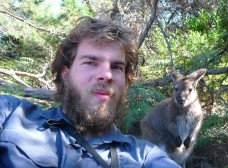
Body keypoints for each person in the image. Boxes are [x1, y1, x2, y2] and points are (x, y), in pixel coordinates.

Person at [0, 16, 180, 168]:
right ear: (65, 73)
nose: (107, 74)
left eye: (117, 67)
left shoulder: (144, 157)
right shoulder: (11, 114)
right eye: (91, 63)